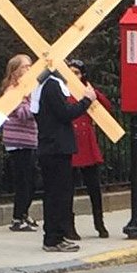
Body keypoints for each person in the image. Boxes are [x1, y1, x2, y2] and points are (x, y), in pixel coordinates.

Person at [31, 69, 96, 252]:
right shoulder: (51, 86)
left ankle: (57, 235)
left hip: (55, 148)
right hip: (55, 148)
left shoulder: (48, 86)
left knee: (60, 195)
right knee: (57, 195)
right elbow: (64, 113)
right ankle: (52, 238)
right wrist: (87, 100)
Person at [66, 59, 111, 240]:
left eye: (77, 72)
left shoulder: (88, 90)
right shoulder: (64, 90)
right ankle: (70, 226)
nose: (74, 76)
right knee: (69, 190)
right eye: (71, 72)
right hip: (71, 143)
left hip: (87, 144)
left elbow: (106, 106)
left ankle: (99, 223)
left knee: (94, 188)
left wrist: (93, 93)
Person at [0, 54, 39, 232]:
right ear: (15, 71)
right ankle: (17, 217)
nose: (29, 70)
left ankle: (24, 212)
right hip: (17, 141)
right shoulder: (13, 91)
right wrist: (33, 100)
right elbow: (23, 114)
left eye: (30, 66)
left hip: (29, 140)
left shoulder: (28, 89)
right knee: (23, 181)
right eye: (25, 67)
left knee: (31, 180)